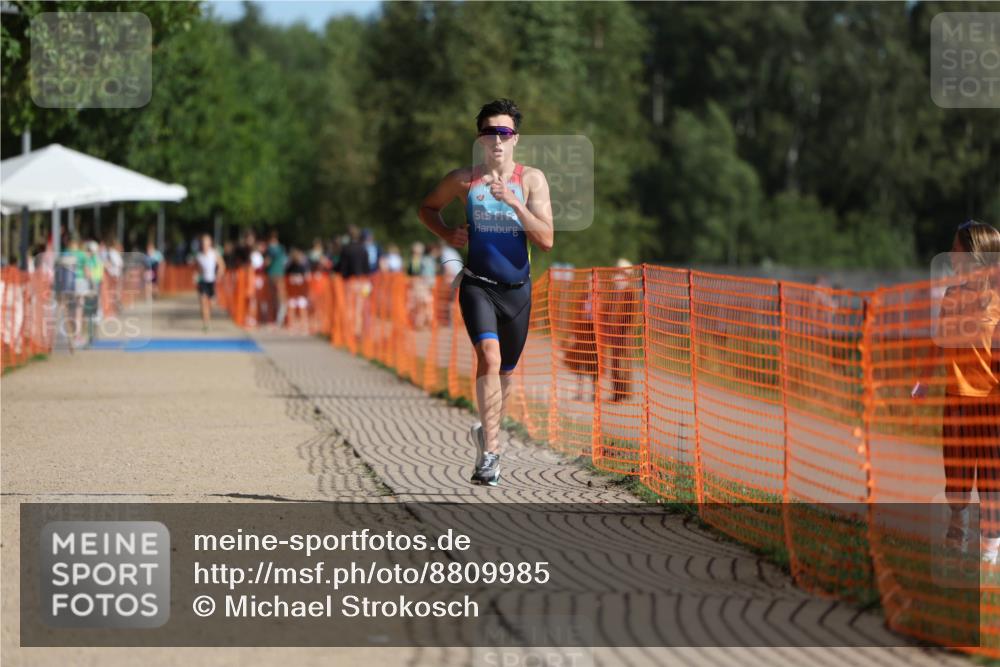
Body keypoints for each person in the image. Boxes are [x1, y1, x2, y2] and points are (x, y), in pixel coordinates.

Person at [418, 98, 554, 486]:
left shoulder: (532, 180)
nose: (498, 139)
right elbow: (427, 208)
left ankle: (487, 433)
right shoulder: (464, 180)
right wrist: (447, 233)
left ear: (515, 139)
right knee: (489, 358)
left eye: (505, 132)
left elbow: (546, 240)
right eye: (490, 132)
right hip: (478, 283)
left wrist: (515, 204)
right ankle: (491, 454)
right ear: (480, 139)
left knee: (506, 373)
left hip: (518, 291)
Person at [919, 220, 1000, 563]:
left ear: (975, 255)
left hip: (991, 402)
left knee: (992, 476)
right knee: (956, 471)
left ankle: (991, 546)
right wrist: (924, 379)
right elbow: (939, 342)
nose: (951, 254)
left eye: (956, 248)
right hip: (955, 397)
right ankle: (958, 531)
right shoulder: (951, 296)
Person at [194, 234, 225, 332]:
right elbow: (197, 269)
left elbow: (222, 265)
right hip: (203, 281)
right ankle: (205, 324)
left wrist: (219, 275)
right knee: (203, 302)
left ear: (210, 243)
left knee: (211, 304)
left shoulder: (214, 253)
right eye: (203, 243)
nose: (205, 245)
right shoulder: (199, 256)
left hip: (212, 281)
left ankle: (208, 318)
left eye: (206, 242)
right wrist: (196, 276)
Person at [265, 230, 288, 328]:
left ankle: (276, 318)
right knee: (281, 296)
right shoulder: (282, 248)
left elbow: (267, 262)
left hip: (273, 274)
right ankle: (280, 317)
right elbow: (285, 261)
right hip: (280, 273)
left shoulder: (270, 248)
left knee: (275, 296)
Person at [285, 248, 310, 332]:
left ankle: (303, 324)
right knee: (291, 308)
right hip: (292, 292)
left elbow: (306, 277)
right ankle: (291, 324)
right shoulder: (290, 266)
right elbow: (286, 275)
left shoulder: (302, 267)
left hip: (300, 292)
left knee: (302, 308)